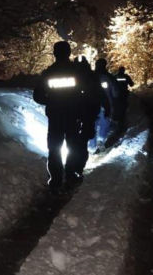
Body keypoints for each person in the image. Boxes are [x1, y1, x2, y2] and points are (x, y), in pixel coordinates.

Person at [33, 41, 87, 190]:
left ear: (55, 53)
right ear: (69, 53)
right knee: (73, 146)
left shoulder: (49, 73)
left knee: (55, 148)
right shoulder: (77, 72)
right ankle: (70, 174)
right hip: (73, 115)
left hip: (55, 116)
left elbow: (37, 96)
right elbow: (86, 93)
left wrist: (51, 101)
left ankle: (55, 180)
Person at [92, 58, 117, 151]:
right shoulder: (109, 77)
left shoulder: (90, 76)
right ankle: (100, 140)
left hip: (91, 104)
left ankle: (91, 146)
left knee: (92, 123)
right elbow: (115, 93)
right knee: (105, 122)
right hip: (106, 104)